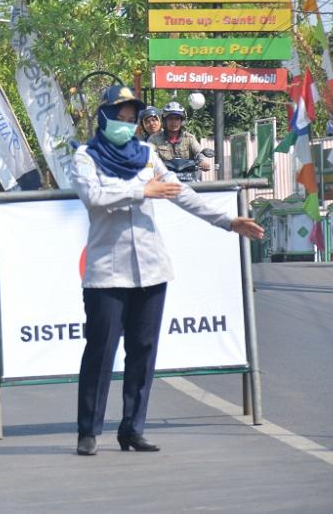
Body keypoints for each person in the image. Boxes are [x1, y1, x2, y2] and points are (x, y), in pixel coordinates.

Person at [71, 86, 263, 457]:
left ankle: (132, 429)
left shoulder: (145, 155)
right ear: (105, 118)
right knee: (100, 352)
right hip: (107, 274)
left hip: (151, 269)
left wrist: (227, 220)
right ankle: (88, 431)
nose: (126, 125)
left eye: (132, 119)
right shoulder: (86, 156)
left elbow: (179, 192)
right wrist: (142, 192)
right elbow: (94, 198)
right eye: (120, 118)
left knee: (143, 352)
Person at [148, 102, 211, 171]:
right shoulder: (154, 139)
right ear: (164, 120)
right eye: (170, 118)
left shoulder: (190, 138)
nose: (173, 122)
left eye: (177, 118)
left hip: (189, 177)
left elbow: (199, 152)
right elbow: (150, 154)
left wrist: (203, 162)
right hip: (164, 177)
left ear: (182, 121)